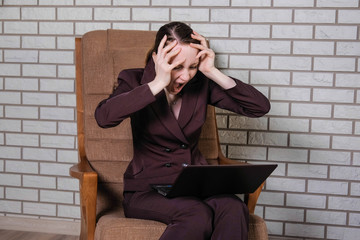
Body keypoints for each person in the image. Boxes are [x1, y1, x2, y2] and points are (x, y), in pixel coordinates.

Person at [95, 22, 270, 240]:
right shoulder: (133, 80)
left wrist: (211, 71)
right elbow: (104, 117)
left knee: (233, 207)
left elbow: (259, 107)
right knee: (196, 213)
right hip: (147, 190)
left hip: (194, 186)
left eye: (193, 66)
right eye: (177, 66)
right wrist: (158, 83)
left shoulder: (200, 84)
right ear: (157, 59)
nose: (186, 77)